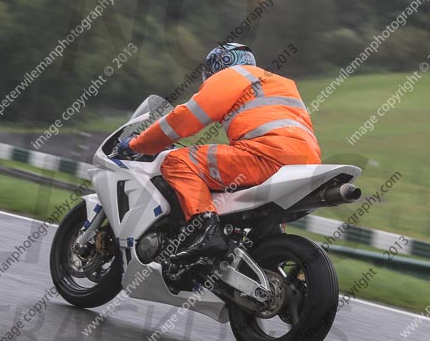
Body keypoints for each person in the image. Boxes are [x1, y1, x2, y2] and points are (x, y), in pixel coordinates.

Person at [118, 43, 321, 263]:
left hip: (266, 155)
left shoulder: (232, 76)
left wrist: (138, 144)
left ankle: (205, 231)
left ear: (216, 66)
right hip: (307, 163)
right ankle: (268, 250)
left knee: (177, 161)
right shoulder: (281, 83)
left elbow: (185, 119)